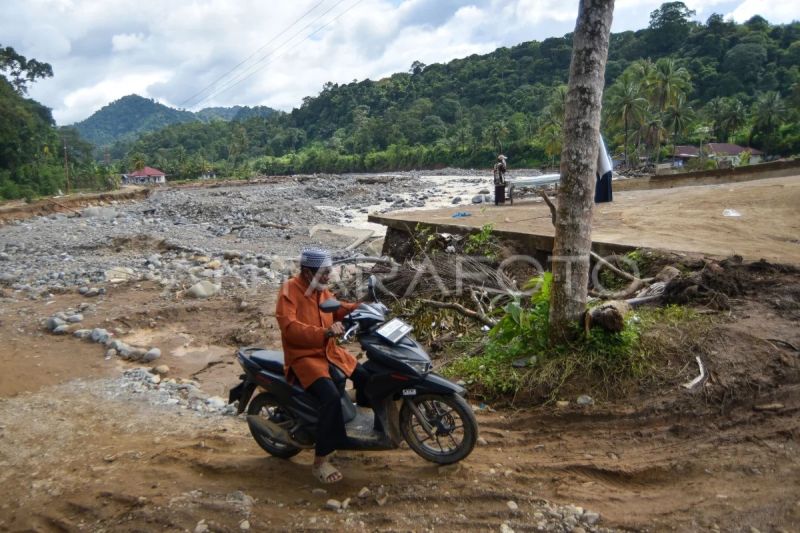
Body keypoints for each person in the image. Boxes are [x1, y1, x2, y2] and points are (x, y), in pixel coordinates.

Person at [275, 247, 371, 484]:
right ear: (308, 272)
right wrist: (324, 332)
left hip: (328, 351)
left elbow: (336, 308)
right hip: (304, 357)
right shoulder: (289, 291)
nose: (328, 276)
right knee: (329, 397)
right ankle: (320, 461)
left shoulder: (320, 289)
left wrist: (361, 308)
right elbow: (290, 328)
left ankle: (366, 432)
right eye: (324, 272)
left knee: (365, 376)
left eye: (329, 271)